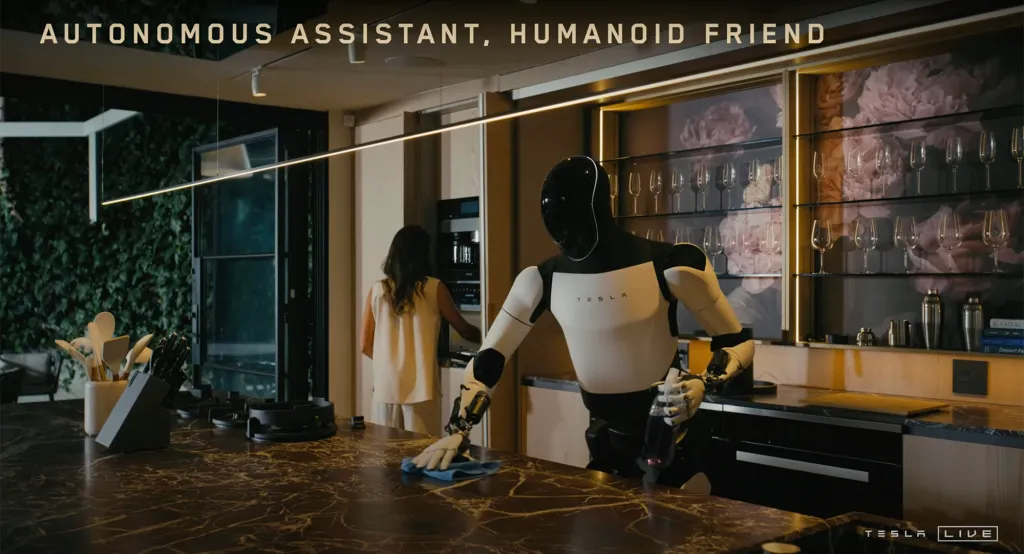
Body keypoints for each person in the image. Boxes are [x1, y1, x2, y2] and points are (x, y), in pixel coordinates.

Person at [412, 156, 753, 491]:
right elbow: (491, 356)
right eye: (557, 226)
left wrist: (702, 382)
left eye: (570, 223)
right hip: (603, 437)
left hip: (671, 433)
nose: (566, 236)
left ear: (598, 208)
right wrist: (458, 428)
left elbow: (736, 341)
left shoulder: (672, 264)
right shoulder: (541, 279)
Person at [361, 225, 482, 435]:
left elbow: (365, 345)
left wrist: (387, 363)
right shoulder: (434, 288)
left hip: (385, 387)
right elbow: (464, 330)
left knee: (385, 458)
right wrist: (488, 334)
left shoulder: (377, 291)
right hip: (421, 388)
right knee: (419, 454)